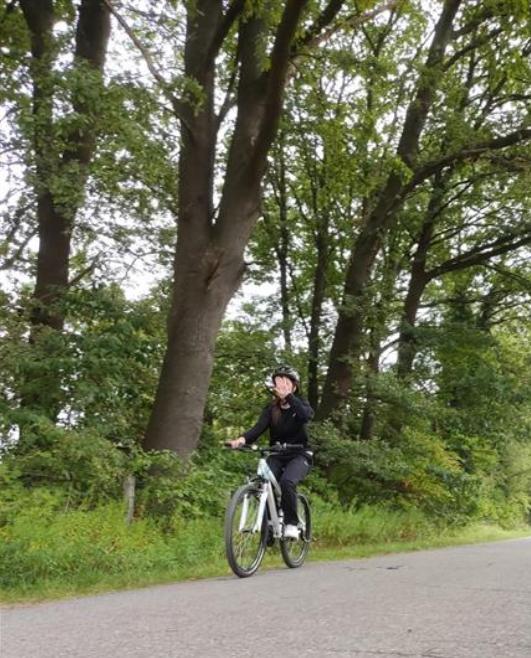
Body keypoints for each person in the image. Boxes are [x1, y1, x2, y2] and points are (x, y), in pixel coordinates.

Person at [227, 365, 314, 539]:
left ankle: (291, 523)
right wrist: (240, 440)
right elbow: (257, 429)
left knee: (287, 482)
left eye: (286, 383)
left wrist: (288, 397)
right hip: (276, 454)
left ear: (294, 387)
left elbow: (305, 416)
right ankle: (268, 525)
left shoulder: (301, 405)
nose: (281, 386)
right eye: (278, 383)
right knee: (263, 482)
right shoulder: (271, 409)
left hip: (299, 454)